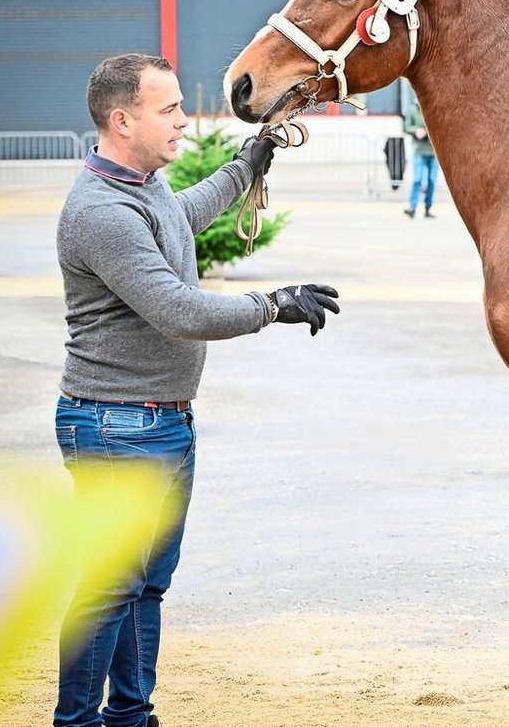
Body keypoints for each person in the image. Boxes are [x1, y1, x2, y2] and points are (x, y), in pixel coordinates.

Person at [54, 54, 341, 727]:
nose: (184, 120)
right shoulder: (101, 211)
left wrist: (245, 167)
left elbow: (180, 216)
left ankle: (130, 716)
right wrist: (273, 304)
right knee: (110, 589)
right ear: (122, 121)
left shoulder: (142, 187)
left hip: (157, 423)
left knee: (143, 586)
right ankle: (77, 722)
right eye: (169, 109)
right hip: (117, 427)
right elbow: (178, 309)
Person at [403, 95, 437, 218]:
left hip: (433, 151)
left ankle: (428, 207)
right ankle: (412, 207)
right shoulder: (413, 110)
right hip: (419, 150)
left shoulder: (432, 107)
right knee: (417, 180)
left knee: (431, 181)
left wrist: (428, 131)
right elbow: (406, 126)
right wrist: (416, 130)